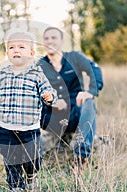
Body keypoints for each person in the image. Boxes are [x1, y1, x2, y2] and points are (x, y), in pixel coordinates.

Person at [0, 31, 57, 191]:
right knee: (11, 161)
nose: (16, 50)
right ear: (7, 53)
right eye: (12, 47)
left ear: (31, 53)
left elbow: (49, 91)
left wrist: (49, 97)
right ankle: (15, 186)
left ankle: (30, 175)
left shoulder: (37, 74)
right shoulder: (1, 74)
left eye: (22, 47)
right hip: (6, 130)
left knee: (32, 162)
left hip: (30, 130)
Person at [38, 27, 103, 174]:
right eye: (46, 38)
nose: (50, 41)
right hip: (51, 117)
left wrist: (91, 91)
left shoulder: (74, 57)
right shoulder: (40, 65)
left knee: (89, 102)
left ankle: (80, 158)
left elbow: (95, 69)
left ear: (61, 41)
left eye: (53, 38)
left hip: (75, 113)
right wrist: (52, 101)